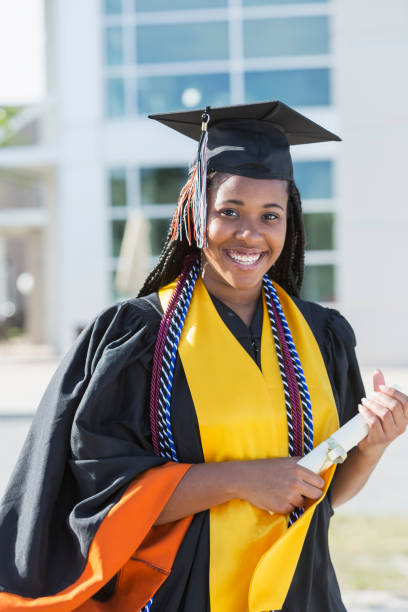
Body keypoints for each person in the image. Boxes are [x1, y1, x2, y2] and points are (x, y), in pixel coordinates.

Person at [0, 101, 407, 612]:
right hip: (186, 594)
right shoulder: (140, 337)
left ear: (289, 222)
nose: (249, 233)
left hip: (301, 592)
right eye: (229, 211)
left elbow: (322, 497)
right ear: (196, 213)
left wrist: (373, 444)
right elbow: (104, 496)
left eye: (270, 215)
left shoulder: (321, 335)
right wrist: (242, 478)